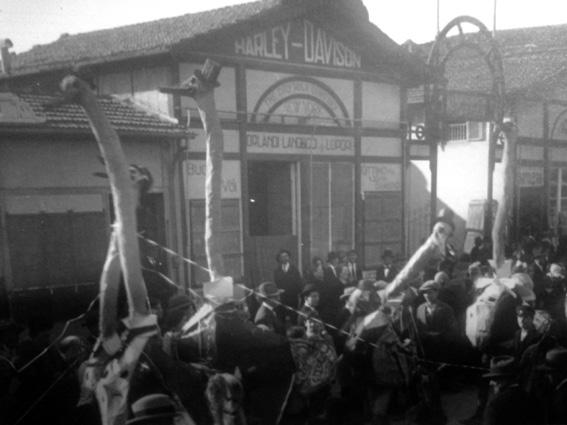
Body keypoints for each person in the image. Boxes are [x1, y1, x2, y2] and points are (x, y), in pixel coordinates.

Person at [482, 356, 539, 425]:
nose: (491, 383)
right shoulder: (530, 398)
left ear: (504, 379)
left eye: (494, 379)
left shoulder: (495, 405)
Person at [415, 280, 457, 362]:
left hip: (442, 348)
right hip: (426, 348)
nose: (427, 295)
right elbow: (418, 328)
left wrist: (439, 337)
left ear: (437, 293)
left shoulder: (446, 309)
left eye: (430, 292)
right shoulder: (420, 309)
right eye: (425, 293)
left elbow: (453, 330)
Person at [538, 347, 567, 424]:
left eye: (549, 372)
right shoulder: (558, 388)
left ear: (560, 372)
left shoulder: (563, 395)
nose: (547, 376)